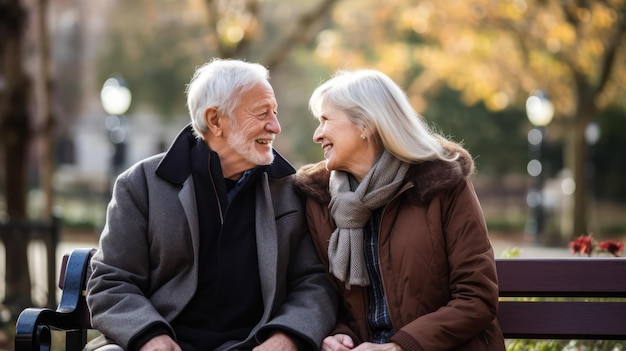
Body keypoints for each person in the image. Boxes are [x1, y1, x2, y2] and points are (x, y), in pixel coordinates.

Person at [86, 58, 338, 351]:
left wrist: (286, 336)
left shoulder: (290, 189)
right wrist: (149, 336)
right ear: (216, 120)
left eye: (275, 112)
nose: (275, 126)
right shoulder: (141, 184)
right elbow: (111, 282)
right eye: (262, 113)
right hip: (160, 341)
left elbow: (314, 283)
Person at [294, 69, 506, 351]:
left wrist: (399, 347)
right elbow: (332, 299)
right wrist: (340, 333)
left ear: (366, 124)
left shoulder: (442, 182)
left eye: (325, 120)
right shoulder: (319, 199)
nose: (317, 135)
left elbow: (476, 298)